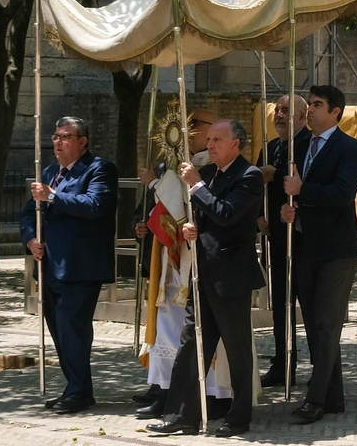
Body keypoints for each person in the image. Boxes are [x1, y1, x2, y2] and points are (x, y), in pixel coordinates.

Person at [146, 119, 264, 437]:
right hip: (202, 272)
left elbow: (227, 214)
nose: (209, 145)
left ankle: (239, 416)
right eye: (208, 139)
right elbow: (206, 217)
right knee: (192, 343)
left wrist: (197, 186)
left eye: (217, 140)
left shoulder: (249, 176)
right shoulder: (209, 174)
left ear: (236, 143)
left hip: (231, 275)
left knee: (236, 346)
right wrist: (191, 228)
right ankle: (182, 413)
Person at [134, 108, 232, 417]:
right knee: (167, 325)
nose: (189, 131)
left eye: (198, 125)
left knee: (203, 328)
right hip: (168, 258)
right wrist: (141, 222)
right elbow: (150, 209)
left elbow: (201, 207)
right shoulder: (168, 165)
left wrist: (154, 185)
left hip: (199, 256)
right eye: (185, 124)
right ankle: (164, 390)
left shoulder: (213, 167)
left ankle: (214, 393)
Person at [20, 116, 119, 413]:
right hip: (51, 265)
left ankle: (79, 391)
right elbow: (28, 213)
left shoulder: (99, 169)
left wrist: (53, 196)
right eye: (55, 137)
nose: (58, 143)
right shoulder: (49, 171)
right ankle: (76, 387)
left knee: (72, 327)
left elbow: (95, 206)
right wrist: (30, 239)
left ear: (82, 141)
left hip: (82, 265)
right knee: (59, 329)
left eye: (65, 137)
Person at [282, 84, 357, 422]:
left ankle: (315, 400)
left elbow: (343, 193)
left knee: (327, 324)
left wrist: (304, 191)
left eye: (318, 105)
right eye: (310, 104)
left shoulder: (349, 148)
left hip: (336, 249)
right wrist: (288, 208)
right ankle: (334, 397)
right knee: (315, 326)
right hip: (305, 245)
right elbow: (288, 191)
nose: (311, 110)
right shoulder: (300, 145)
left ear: (335, 112)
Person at [258, 95, 309, 389]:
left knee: (310, 308)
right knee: (281, 306)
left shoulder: (306, 145)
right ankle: (283, 362)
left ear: (302, 116)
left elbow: (303, 182)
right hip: (275, 236)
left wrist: (276, 175)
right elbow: (251, 182)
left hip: (302, 238)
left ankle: (320, 366)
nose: (279, 115)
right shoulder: (271, 147)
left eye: (286, 111)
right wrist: (257, 217)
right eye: (277, 110)